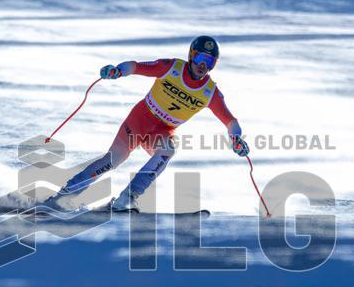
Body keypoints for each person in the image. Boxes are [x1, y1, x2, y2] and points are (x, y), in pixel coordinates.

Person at [45, 35, 249, 212]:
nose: (203, 65)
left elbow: (230, 120)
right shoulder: (172, 68)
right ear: (191, 55)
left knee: (168, 150)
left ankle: (127, 199)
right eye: (200, 58)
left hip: (162, 131)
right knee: (112, 161)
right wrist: (117, 71)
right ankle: (62, 197)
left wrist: (236, 138)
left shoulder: (209, 92)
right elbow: (136, 67)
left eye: (210, 61)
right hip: (140, 120)